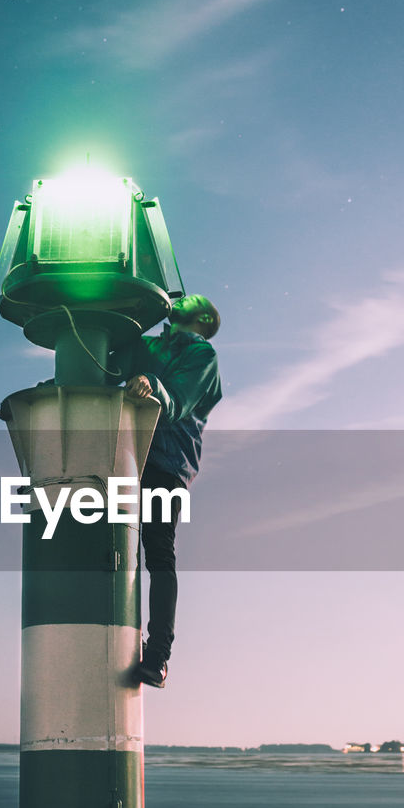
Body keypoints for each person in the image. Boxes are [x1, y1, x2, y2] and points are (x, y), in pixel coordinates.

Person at [113, 294, 222, 688]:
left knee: (158, 552)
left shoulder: (203, 356)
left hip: (168, 465)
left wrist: (152, 384)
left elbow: (178, 401)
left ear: (204, 318)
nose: (182, 297)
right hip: (124, 458)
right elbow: (103, 371)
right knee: (115, 548)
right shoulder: (147, 344)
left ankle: (157, 655)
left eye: (193, 301)